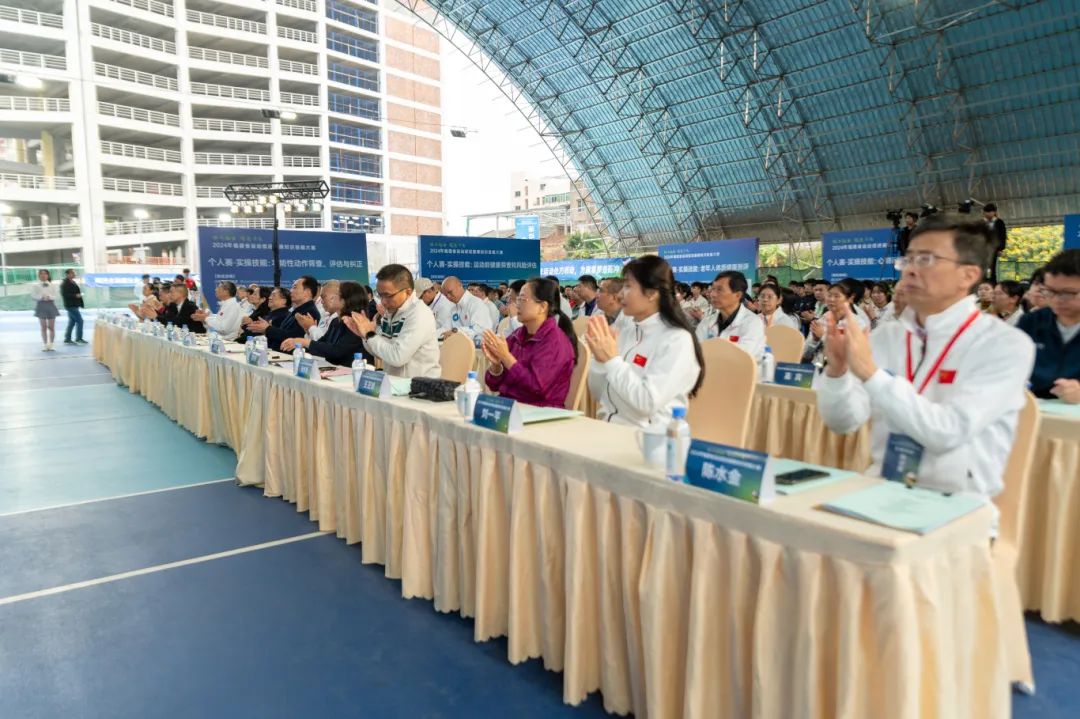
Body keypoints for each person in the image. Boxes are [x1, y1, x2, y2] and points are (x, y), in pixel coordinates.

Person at [817, 215, 1034, 503]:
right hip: (882, 487)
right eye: (908, 260)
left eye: (926, 260)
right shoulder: (887, 336)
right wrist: (838, 372)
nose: (909, 270)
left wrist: (872, 375)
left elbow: (948, 431)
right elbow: (843, 422)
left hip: (958, 503)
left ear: (968, 275)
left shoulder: (1004, 344)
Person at [585, 255, 704, 428]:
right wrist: (599, 359)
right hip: (610, 428)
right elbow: (599, 392)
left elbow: (647, 402)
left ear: (652, 293)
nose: (620, 294)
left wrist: (612, 361)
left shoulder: (676, 339)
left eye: (628, 286)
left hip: (647, 436)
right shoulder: (626, 330)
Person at [482, 277, 577, 408]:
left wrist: (506, 357)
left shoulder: (555, 342)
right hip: (511, 406)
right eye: (517, 299)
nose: (517, 305)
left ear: (542, 307)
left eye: (522, 299)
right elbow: (493, 385)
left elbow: (537, 388)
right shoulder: (517, 335)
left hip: (540, 411)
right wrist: (496, 367)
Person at [344, 264, 440, 378]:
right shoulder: (391, 311)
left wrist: (369, 334)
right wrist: (364, 336)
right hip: (394, 382)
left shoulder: (419, 314)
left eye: (388, 296)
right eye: (380, 295)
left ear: (408, 292)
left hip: (420, 385)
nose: (383, 301)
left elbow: (398, 357)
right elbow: (380, 352)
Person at [1018, 250, 1080, 403]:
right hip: (1033, 409)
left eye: (1067, 293)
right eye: (1049, 291)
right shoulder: (1031, 322)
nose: (1057, 300)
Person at [282, 281, 370, 366]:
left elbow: (337, 351)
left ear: (345, 300)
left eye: (337, 295)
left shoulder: (356, 323)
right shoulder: (336, 321)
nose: (332, 299)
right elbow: (323, 343)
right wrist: (300, 343)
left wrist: (304, 342)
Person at [694, 270, 766, 360]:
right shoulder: (706, 322)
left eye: (719, 290)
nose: (712, 294)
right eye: (712, 289)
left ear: (738, 295)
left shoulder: (753, 323)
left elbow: (743, 359)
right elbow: (695, 353)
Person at [803, 280, 869, 364]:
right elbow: (806, 354)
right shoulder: (823, 319)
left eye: (837, 296)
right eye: (829, 295)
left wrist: (823, 336)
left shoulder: (858, 323)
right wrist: (814, 340)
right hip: (818, 367)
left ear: (850, 299)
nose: (831, 299)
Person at [247, 276, 319, 351]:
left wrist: (268, 329)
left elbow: (296, 337)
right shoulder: (297, 310)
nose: (291, 290)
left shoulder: (309, 312)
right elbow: (283, 332)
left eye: (295, 287)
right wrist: (268, 329)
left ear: (307, 292)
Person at [439, 276, 494, 342]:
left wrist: (457, 331)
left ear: (460, 286)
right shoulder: (453, 307)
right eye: (445, 295)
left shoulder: (476, 303)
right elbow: (446, 328)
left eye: (450, 292)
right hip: (460, 344)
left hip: (479, 345)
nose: (448, 297)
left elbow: (480, 329)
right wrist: (432, 335)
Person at [31, 269, 59, 351]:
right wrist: (41, 297)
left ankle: (52, 344)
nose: (43, 275)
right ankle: (45, 344)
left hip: (51, 305)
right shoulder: (35, 286)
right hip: (41, 306)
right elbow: (33, 296)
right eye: (41, 274)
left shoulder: (53, 285)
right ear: (39, 275)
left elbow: (56, 295)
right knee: (43, 327)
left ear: (48, 275)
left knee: (51, 327)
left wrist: (50, 297)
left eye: (45, 274)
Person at [60, 269, 86, 345]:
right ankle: (79, 338)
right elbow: (65, 295)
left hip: (74, 304)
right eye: (72, 273)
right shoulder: (64, 283)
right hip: (70, 305)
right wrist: (75, 295)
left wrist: (78, 295)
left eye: (74, 273)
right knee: (80, 321)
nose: (74, 274)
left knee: (72, 322)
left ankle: (67, 338)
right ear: (68, 274)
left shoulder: (73, 282)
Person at [983, 203, 1007, 283]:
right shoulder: (981, 222)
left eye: (990, 212)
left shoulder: (999, 222)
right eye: (986, 212)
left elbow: (1003, 236)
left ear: (994, 212)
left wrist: (1000, 249)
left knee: (992, 268)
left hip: (994, 248)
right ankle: (982, 283)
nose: (988, 214)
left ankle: (993, 284)